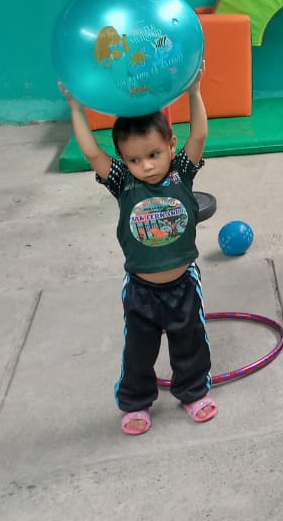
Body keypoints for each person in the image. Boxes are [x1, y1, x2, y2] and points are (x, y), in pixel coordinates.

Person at [61, 71, 216, 436]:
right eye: (134, 159)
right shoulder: (123, 182)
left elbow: (199, 135)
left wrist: (194, 91)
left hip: (183, 284)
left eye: (154, 154)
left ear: (171, 145)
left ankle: (193, 393)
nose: (145, 165)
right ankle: (136, 402)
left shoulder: (181, 173)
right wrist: (76, 108)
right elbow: (91, 152)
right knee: (138, 350)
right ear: (123, 159)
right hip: (141, 290)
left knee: (190, 343)